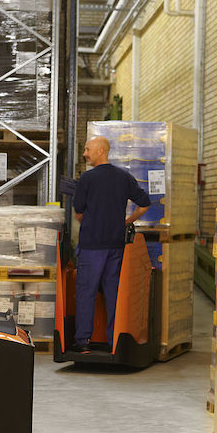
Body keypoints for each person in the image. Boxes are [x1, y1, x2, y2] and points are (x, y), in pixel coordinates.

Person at [71, 135, 151, 353]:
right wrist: (126, 222)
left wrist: (91, 224)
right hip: (116, 246)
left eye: (87, 149)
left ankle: (83, 341)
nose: (85, 154)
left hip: (91, 247)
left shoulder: (87, 178)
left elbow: (78, 212)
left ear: (101, 151)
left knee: (86, 293)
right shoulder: (123, 177)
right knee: (114, 294)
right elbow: (144, 204)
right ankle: (114, 341)